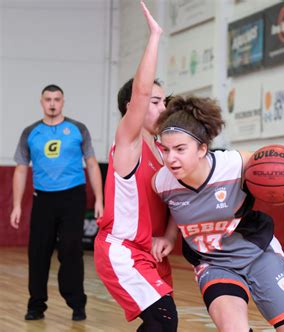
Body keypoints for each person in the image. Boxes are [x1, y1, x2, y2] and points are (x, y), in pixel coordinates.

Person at [152, 96, 284, 332]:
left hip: (257, 253)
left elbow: (275, 163)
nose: (171, 158)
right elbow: (174, 207)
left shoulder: (233, 164)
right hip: (214, 264)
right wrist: (169, 237)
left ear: (202, 148)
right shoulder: (162, 182)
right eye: (166, 150)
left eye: (180, 149)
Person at [93, 2, 177, 331]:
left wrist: (168, 237)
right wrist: (155, 37)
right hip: (123, 250)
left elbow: (176, 205)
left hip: (153, 252)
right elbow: (140, 92)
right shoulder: (129, 144)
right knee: (164, 319)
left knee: (162, 324)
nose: (163, 107)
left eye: (165, 101)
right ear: (135, 108)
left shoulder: (167, 150)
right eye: (155, 102)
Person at [10, 83, 104, 321]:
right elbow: (21, 170)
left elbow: (92, 165)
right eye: (48, 99)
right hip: (43, 199)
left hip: (73, 197)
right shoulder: (30, 132)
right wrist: (18, 205)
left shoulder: (77, 129)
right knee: (38, 253)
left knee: (71, 250)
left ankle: (77, 304)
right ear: (41, 102)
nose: (52, 103)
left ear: (63, 102)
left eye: (57, 99)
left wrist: (100, 200)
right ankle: (36, 305)